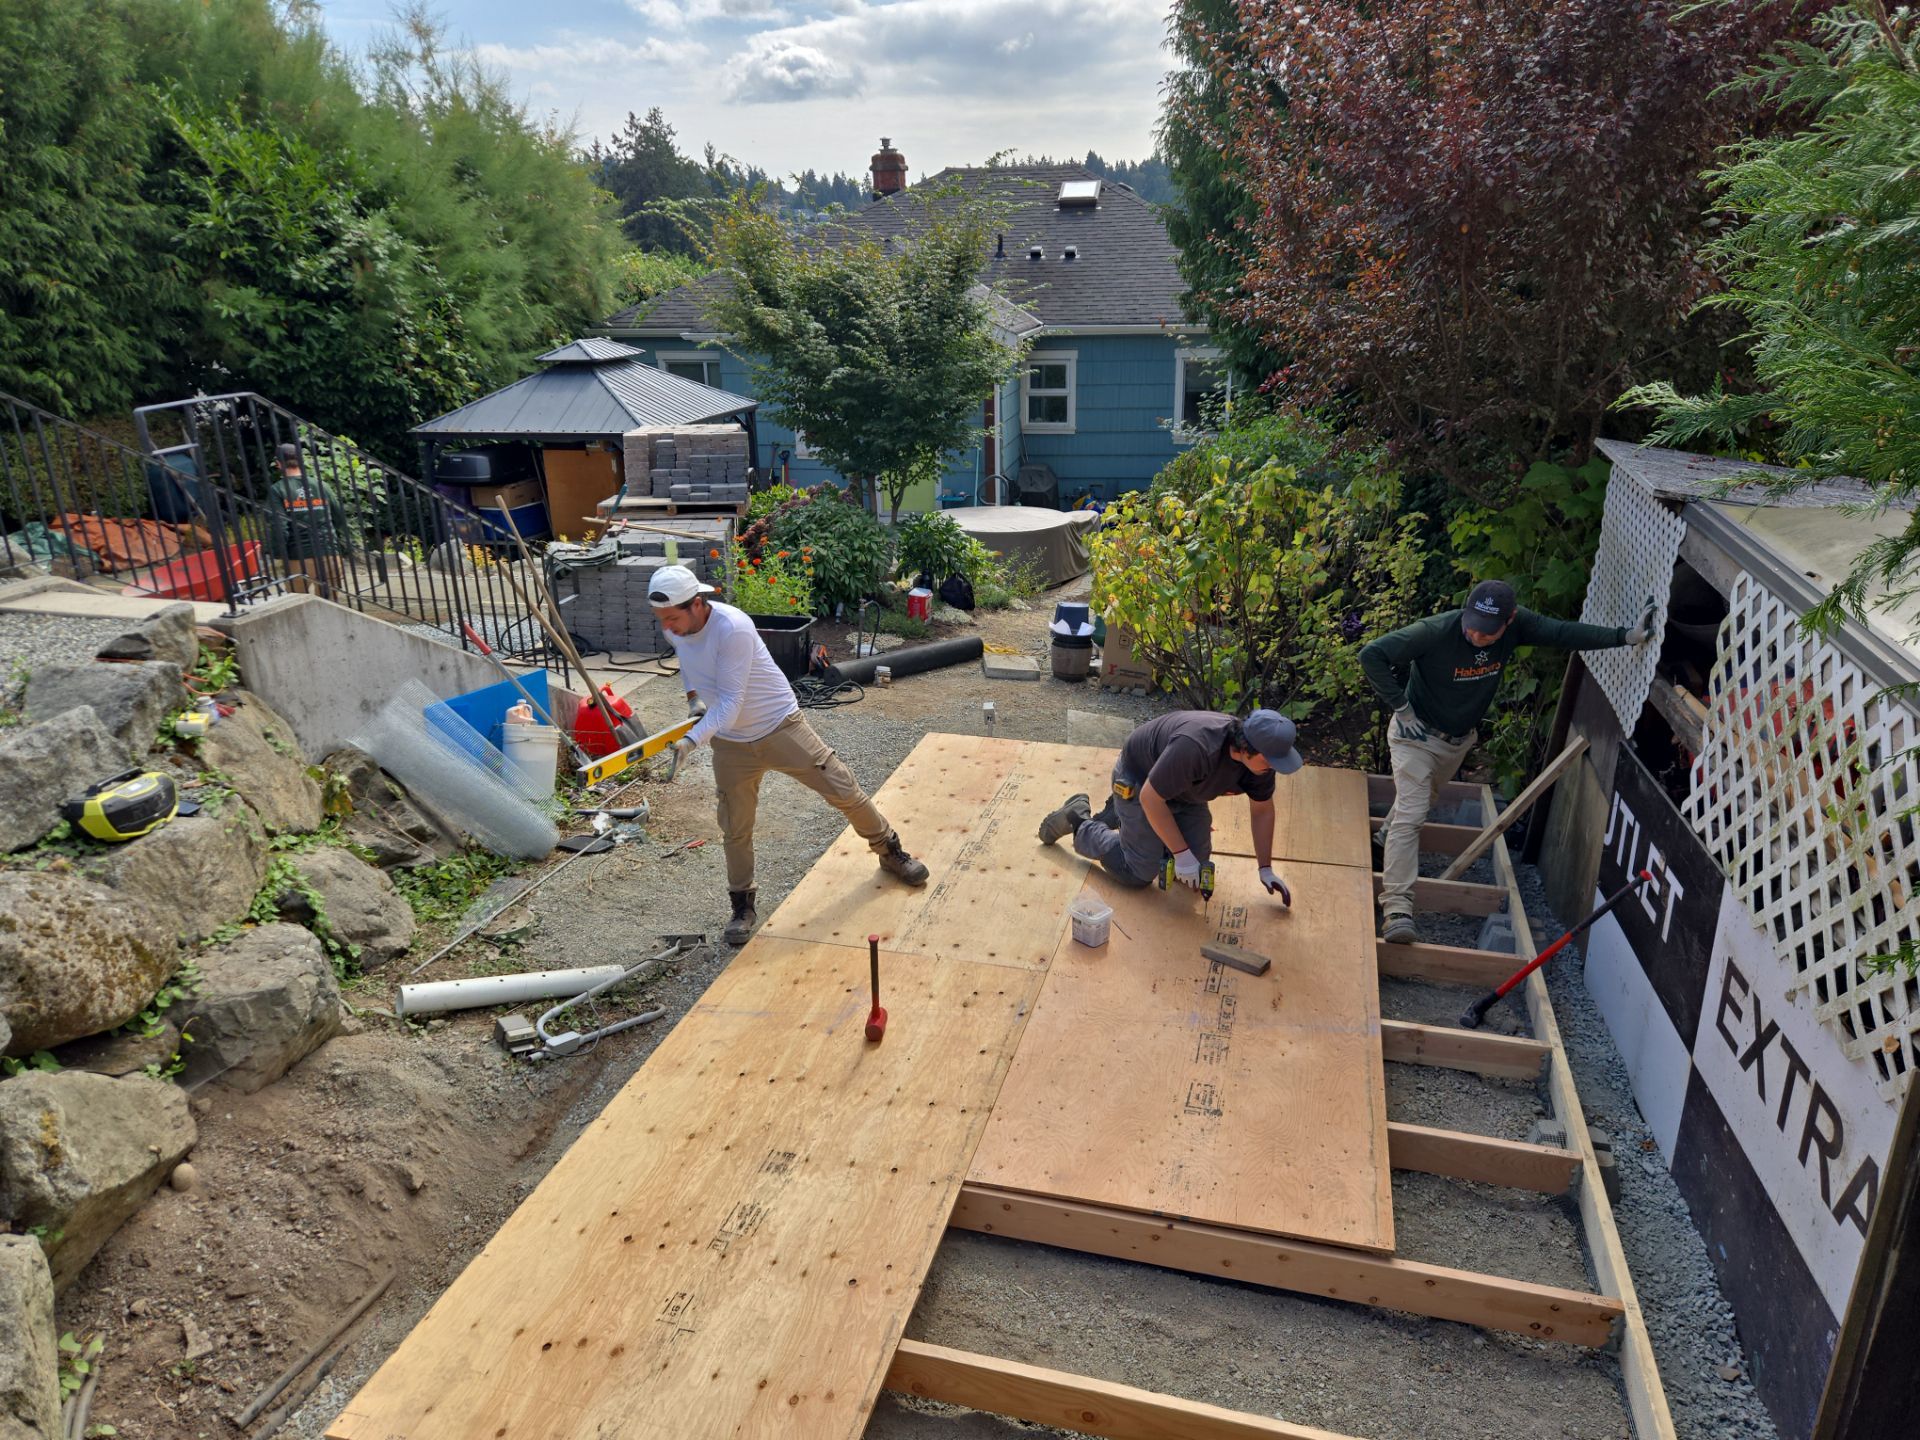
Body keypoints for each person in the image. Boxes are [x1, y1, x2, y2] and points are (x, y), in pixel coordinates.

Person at [1361, 579, 1655, 945]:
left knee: (1420, 803)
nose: (1475, 634)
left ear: (1509, 621)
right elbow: (1372, 654)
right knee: (1413, 814)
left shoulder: (1520, 625)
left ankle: (1382, 843)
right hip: (1416, 739)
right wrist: (1401, 708)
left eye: (1487, 633)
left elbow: (1564, 633)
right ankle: (1397, 909)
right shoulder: (1435, 631)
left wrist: (1625, 636)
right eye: (1471, 625)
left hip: (1456, 744)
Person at [648, 564, 929, 945]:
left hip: (780, 725)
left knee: (842, 788)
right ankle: (742, 905)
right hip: (730, 742)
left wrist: (691, 741)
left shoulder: (732, 628)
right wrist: (694, 700)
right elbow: (689, 665)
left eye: (672, 617)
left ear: (697, 604)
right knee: (734, 825)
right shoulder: (675, 627)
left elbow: (732, 699)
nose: (667, 626)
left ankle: (890, 850)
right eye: (661, 618)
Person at [1037, 709, 1304, 902]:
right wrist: (1180, 853)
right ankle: (1080, 820)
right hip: (1140, 782)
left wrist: (1265, 868)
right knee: (1140, 871)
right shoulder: (1197, 746)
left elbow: (1262, 810)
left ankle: (1123, 816)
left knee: (1195, 871)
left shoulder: (1260, 766)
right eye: (1270, 761)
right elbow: (1151, 798)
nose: (1273, 768)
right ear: (1246, 747)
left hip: (1184, 793)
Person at [264, 442, 347, 598]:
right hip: (329, 551)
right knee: (329, 603)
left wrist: (276, 553)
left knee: (298, 603)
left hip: (298, 556)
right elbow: (339, 518)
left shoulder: (278, 489)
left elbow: (279, 526)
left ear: (278, 464)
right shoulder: (322, 485)